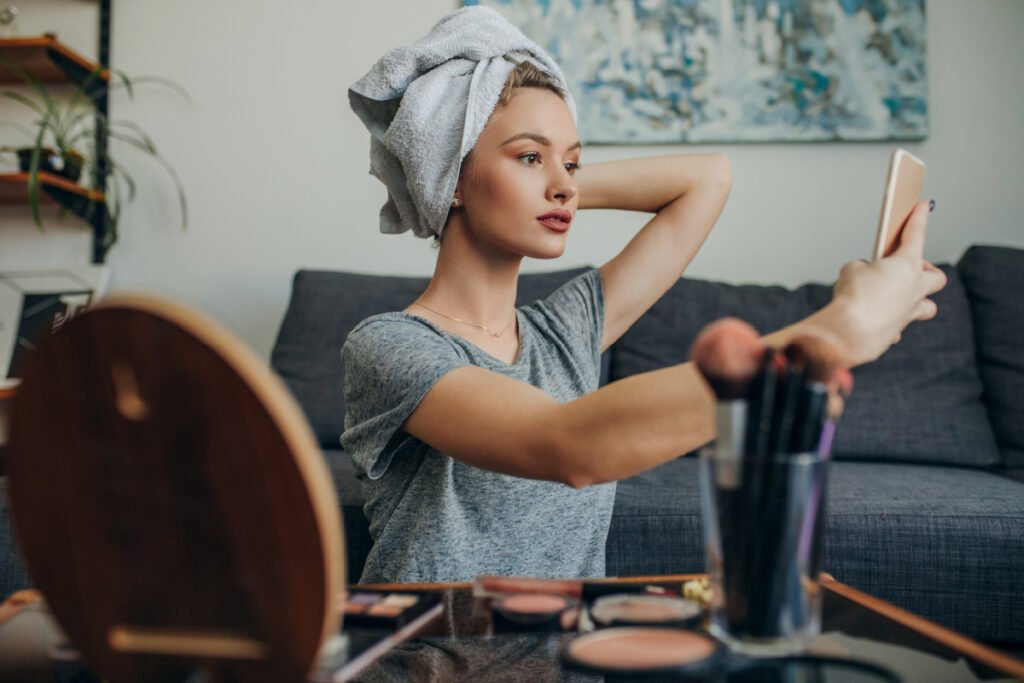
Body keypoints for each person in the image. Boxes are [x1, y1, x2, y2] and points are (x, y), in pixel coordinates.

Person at [342, 7, 946, 584]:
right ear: (451, 181)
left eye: (573, 164)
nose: (563, 185)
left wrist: (546, 182)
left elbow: (709, 178)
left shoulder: (564, 330)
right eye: (528, 156)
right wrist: (839, 331)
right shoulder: (388, 347)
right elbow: (567, 445)